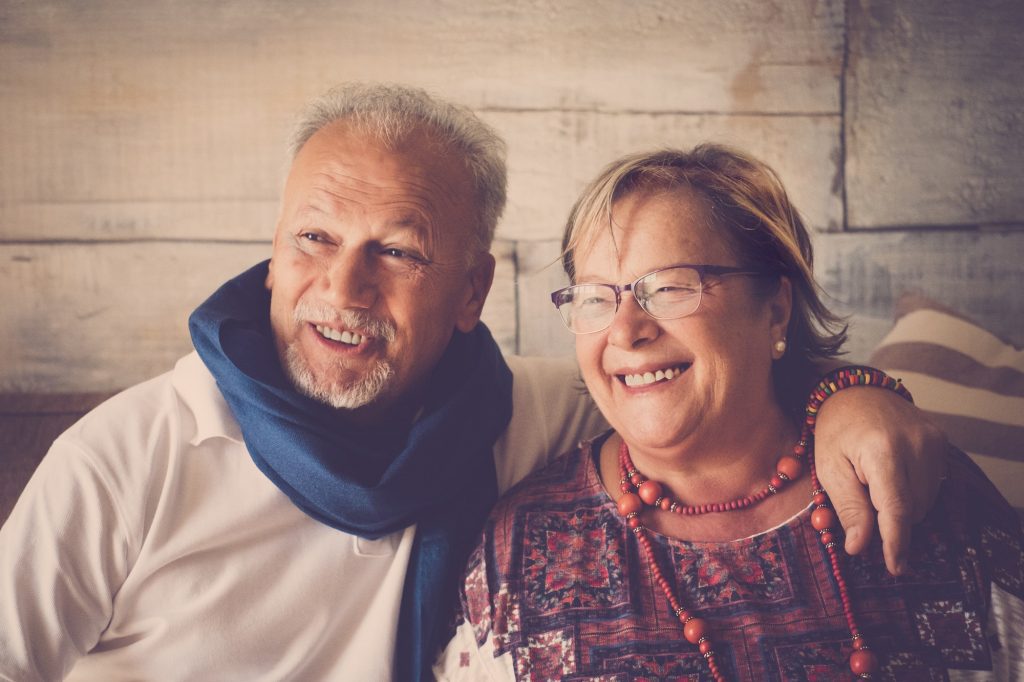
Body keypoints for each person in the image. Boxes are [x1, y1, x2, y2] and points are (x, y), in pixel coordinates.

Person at [0, 85, 946, 681]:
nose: (342, 289)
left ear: (471, 291)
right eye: (313, 240)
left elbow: (698, 386)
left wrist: (853, 394)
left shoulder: (530, 414)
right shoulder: (133, 455)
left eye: (398, 251)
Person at [437, 145, 1023, 680]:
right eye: (595, 297)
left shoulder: (902, 480)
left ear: (775, 310)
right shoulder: (524, 546)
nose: (626, 331)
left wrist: (863, 392)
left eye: (668, 287)